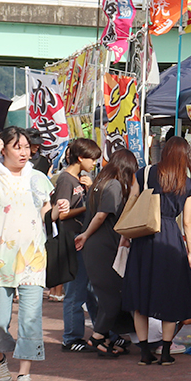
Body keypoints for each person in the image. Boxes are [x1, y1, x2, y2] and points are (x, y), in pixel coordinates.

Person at [0, 126, 67, 381]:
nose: (24, 152)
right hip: (1, 258)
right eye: (17, 147)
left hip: (33, 258)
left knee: (30, 319)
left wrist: (60, 211)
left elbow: (46, 216)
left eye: (26, 147)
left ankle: (24, 374)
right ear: (3, 149)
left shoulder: (37, 178)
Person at [121, 136, 191, 366]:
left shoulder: (144, 173)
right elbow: (188, 222)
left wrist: (124, 235)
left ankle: (144, 353)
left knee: (140, 295)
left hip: (143, 236)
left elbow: (131, 203)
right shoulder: (187, 183)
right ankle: (165, 353)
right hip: (171, 238)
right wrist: (190, 253)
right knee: (170, 295)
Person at [74, 148, 138, 357]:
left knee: (107, 295)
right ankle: (98, 337)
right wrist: (85, 234)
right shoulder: (114, 185)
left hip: (97, 247)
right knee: (114, 297)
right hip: (103, 247)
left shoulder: (98, 184)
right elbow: (101, 216)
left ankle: (104, 338)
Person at [55, 138, 100, 351]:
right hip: (72, 240)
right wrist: (86, 207)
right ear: (80, 158)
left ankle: (100, 331)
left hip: (81, 239)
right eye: (92, 159)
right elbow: (61, 214)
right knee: (76, 291)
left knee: (89, 290)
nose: (94, 164)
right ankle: (71, 337)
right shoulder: (66, 180)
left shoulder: (78, 180)